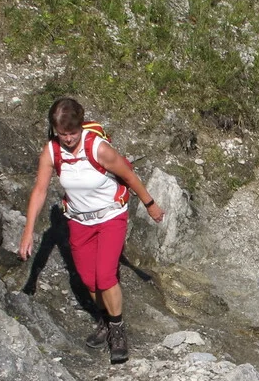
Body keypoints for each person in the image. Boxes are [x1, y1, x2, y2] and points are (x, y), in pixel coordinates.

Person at [18, 97, 165, 364]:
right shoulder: (52, 152)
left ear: (80, 126)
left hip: (111, 216)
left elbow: (129, 176)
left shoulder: (98, 148)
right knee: (89, 279)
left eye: (72, 133)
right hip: (79, 221)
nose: (68, 139)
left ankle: (117, 330)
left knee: (105, 276)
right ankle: (105, 320)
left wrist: (150, 204)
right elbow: (39, 190)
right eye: (62, 134)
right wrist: (28, 232)